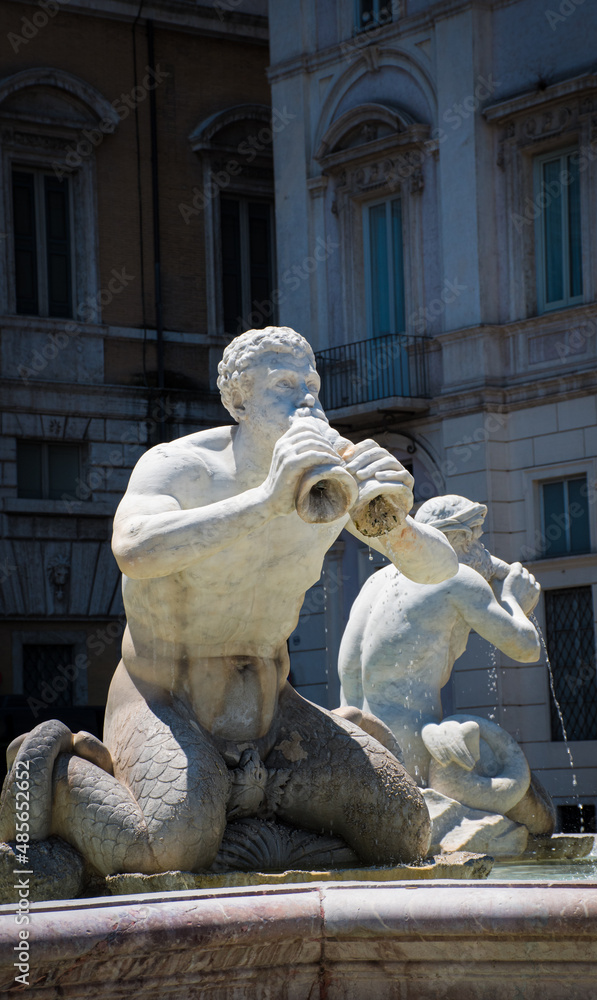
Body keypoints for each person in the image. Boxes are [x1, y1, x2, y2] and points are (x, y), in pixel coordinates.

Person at [1, 327, 457, 874]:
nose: (307, 397)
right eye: (284, 384)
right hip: (165, 699)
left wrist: (396, 523)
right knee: (168, 850)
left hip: (272, 710)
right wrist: (266, 500)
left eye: (311, 383)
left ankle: (249, 820)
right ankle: (61, 777)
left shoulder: (331, 478)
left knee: (404, 830)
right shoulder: (183, 466)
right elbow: (133, 549)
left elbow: (440, 568)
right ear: (238, 400)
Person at [338, 494, 541, 786]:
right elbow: (526, 648)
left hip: (357, 749)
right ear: (460, 539)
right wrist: (514, 599)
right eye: (478, 541)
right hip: (408, 752)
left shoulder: (376, 581)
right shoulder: (455, 577)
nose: (483, 551)